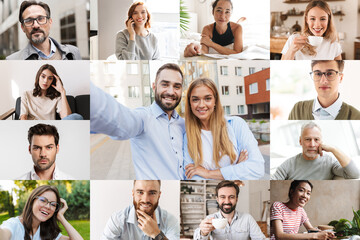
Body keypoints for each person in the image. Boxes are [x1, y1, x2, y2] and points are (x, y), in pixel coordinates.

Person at [90, 63, 185, 179]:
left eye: (177, 86)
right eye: (165, 84)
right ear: (154, 87)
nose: (171, 92)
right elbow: (119, 120)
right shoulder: (142, 118)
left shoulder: (184, 125)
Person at [183, 78, 264, 180]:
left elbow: (257, 168)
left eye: (207, 98)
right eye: (195, 99)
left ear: (215, 101)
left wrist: (208, 173)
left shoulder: (236, 125)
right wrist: (236, 169)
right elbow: (192, 176)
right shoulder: (188, 136)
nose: (201, 105)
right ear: (190, 103)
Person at [271, 122, 359, 180]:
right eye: (307, 139)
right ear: (300, 141)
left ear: (321, 142)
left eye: (316, 139)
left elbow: (354, 174)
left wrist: (334, 149)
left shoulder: (329, 162)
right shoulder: (289, 164)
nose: (312, 144)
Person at [102, 180, 179, 240]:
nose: (145, 200)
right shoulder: (117, 220)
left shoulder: (170, 221)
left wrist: (156, 234)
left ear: (159, 195)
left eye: (152, 193)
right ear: (133, 193)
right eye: (140, 192)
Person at [0, 185, 83, 240]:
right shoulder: (14, 225)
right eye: (43, 200)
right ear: (32, 201)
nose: (48, 206)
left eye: (53, 204)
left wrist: (61, 216)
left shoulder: (47, 231)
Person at [6, 0, 81, 60]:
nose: (36, 25)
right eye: (29, 20)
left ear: (50, 22)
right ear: (23, 28)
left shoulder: (74, 52)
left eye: (41, 18)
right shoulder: (12, 60)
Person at [288, 60, 360, 120]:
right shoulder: (298, 110)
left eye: (329, 73)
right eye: (318, 74)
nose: (323, 81)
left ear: (340, 78)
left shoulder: (356, 117)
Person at [194, 180, 265, 240]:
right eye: (222, 197)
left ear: (237, 199)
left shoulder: (247, 219)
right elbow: (197, 237)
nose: (227, 201)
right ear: (217, 199)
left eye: (231, 197)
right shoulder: (211, 219)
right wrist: (203, 232)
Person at [270, 180, 335, 239]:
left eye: (308, 193)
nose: (305, 196)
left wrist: (325, 233)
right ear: (292, 191)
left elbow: (310, 229)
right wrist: (315, 236)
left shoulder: (301, 210)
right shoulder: (278, 206)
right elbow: (279, 236)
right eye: (301, 190)